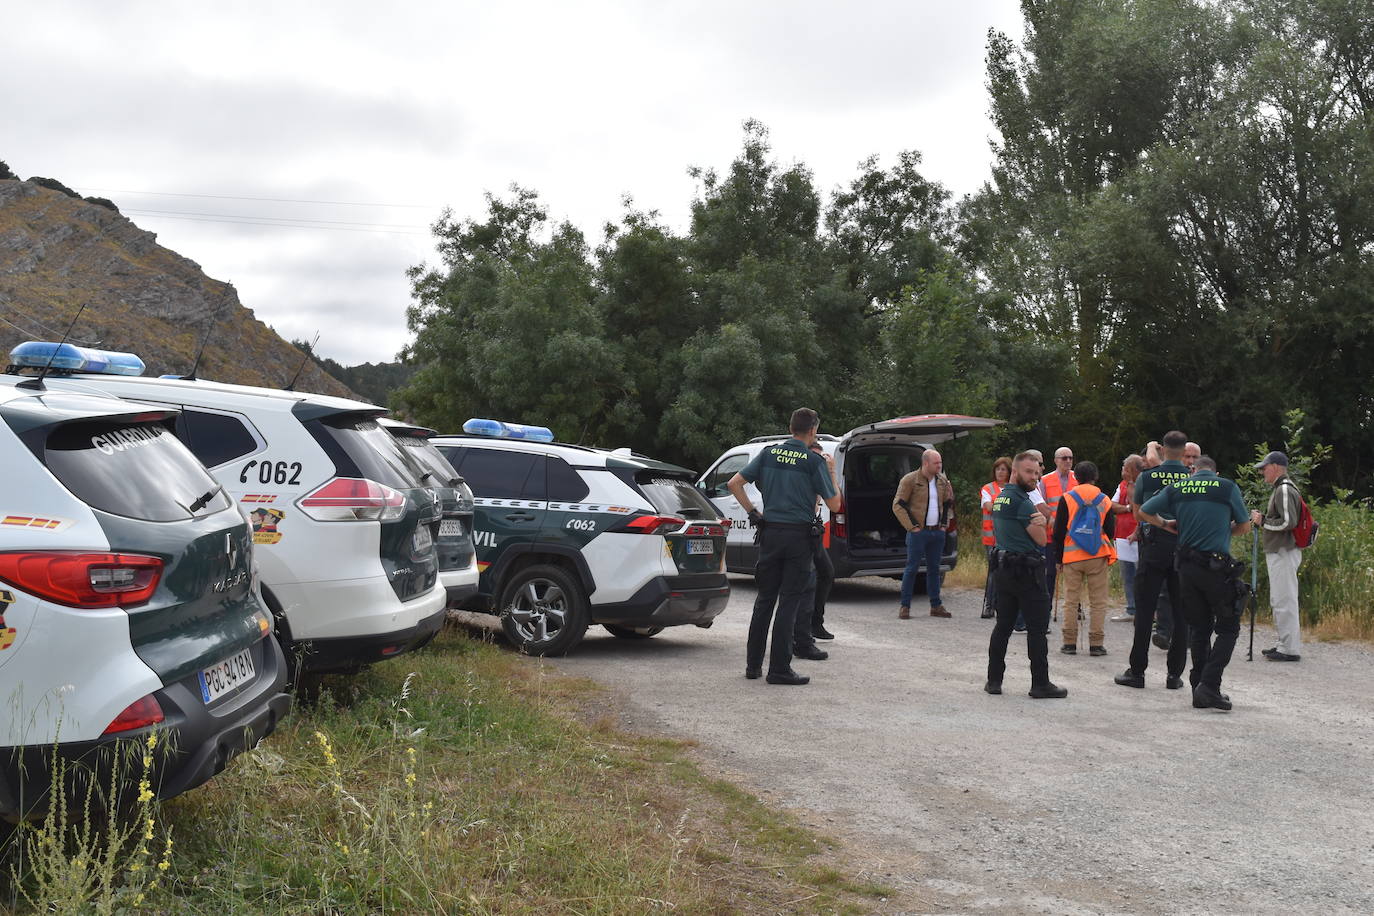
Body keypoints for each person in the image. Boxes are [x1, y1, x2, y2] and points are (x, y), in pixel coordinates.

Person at [729, 408, 841, 685]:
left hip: (770, 534)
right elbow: (835, 504)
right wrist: (832, 473)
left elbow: (734, 483)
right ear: (813, 430)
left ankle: (753, 666)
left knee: (764, 600)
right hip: (798, 538)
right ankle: (779, 669)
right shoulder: (812, 461)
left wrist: (754, 514)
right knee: (789, 601)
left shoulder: (767, 454)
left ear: (790, 427)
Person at [1138, 456, 1252, 710]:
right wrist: (1225, 529)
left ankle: (1198, 687)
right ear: (1215, 472)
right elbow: (1244, 526)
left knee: (1199, 628)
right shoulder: (1226, 487)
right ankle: (1210, 686)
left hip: (1186, 567)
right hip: (1215, 566)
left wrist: (1166, 524)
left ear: (1193, 470)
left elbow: (1145, 511)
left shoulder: (1178, 488)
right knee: (1228, 627)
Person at [985, 451, 1068, 698]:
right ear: (1015, 472)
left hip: (1003, 569)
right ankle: (1040, 683)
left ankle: (994, 680)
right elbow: (1041, 539)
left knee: (1003, 626)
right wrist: (1043, 524)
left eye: (1037, 472)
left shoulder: (1000, 498)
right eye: (1029, 472)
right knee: (1036, 629)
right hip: (1027, 573)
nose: (1035, 477)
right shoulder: (1023, 503)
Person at [1115, 431, 1192, 691]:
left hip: (1154, 544)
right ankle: (1174, 675)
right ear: (1183, 451)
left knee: (1145, 610)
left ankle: (1137, 672)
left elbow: (1138, 514)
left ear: (1163, 450)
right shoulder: (1191, 478)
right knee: (1181, 612)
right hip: (1182, 546)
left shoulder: (1148, 476)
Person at [1051, 461, 1117, 656]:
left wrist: (1058, 558)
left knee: (1071, 600)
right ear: (1095, 477)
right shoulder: (1104, 499)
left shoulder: (1067, 498)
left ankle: (1069, 643)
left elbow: (1058, 531)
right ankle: (1096, 644)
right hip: (1097, 555)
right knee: (1098, 601)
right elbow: (1111, 531)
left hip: (1072, 556)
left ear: (1075, 477)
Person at [1251, 451, 1303, 662]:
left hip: (1283, 551)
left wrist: (1262, 521)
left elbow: (1288, 522)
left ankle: (1289, 649)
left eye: (1265, 467)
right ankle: (1285, 644)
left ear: (1276, 467)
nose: (1262, 471)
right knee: (1281, 598)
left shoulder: (1283, 489)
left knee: (1284, 599)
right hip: (1282, 551)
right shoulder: (1283, 488)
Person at [893, 448, 954, 619]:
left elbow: (948, 504)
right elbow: (898, 505)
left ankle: (936, 605)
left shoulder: (942, 481)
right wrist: (912, 527)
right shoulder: (911, 480)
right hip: (918, 533)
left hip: (937, 532)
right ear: (925, 463)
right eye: (936, 463)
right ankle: (905, 606)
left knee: (935, 570)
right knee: (912, 568)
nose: (939, 466)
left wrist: (944, 525)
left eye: (940, 463)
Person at [803, 439, 838, 642]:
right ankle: (802, 630)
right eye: (814, 455)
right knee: (804, 580)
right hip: (800, 530)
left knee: (826, 572)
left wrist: (830, 471)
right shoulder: (803, 473)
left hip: (813, 530)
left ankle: (816, 623)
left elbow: (834, 501)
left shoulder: (818, 473)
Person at [1039, 447, 1078, 603]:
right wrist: (1050, 518)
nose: (1068, 461)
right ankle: (1046, 606)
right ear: (1056, 460)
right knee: (1050, 572)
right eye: (1064, 458)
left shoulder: (1079, 477)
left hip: (1073, 534)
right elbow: (1040, 504)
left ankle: (1076, 605)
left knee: (1074, 572)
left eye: (1070, 457)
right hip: (1052, 534)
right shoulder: (1045, 480)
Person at [1110, 454, 1143, 623]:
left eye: (1125, 468)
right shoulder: (1121, 485)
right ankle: (1131, 609)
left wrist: (1128, 505)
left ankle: (1144, 611)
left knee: (1140, 575)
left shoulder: (1141, 484)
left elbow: (1139, 506)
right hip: (1122, 535)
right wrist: (1128, 508)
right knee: (1127, 574)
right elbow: (1112, 505)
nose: (1122, 471)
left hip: (1137, 536)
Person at [979, 457, 1013, 619]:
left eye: (1004, 469)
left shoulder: (1013, 488)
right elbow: (988, 507)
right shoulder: (987, 489)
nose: (1000, 472)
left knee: (1007, 571)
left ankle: (1003, 605)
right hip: (991, 538)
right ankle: (989, 605)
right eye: (998, 469)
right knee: (994, 571)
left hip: (1009, 537)